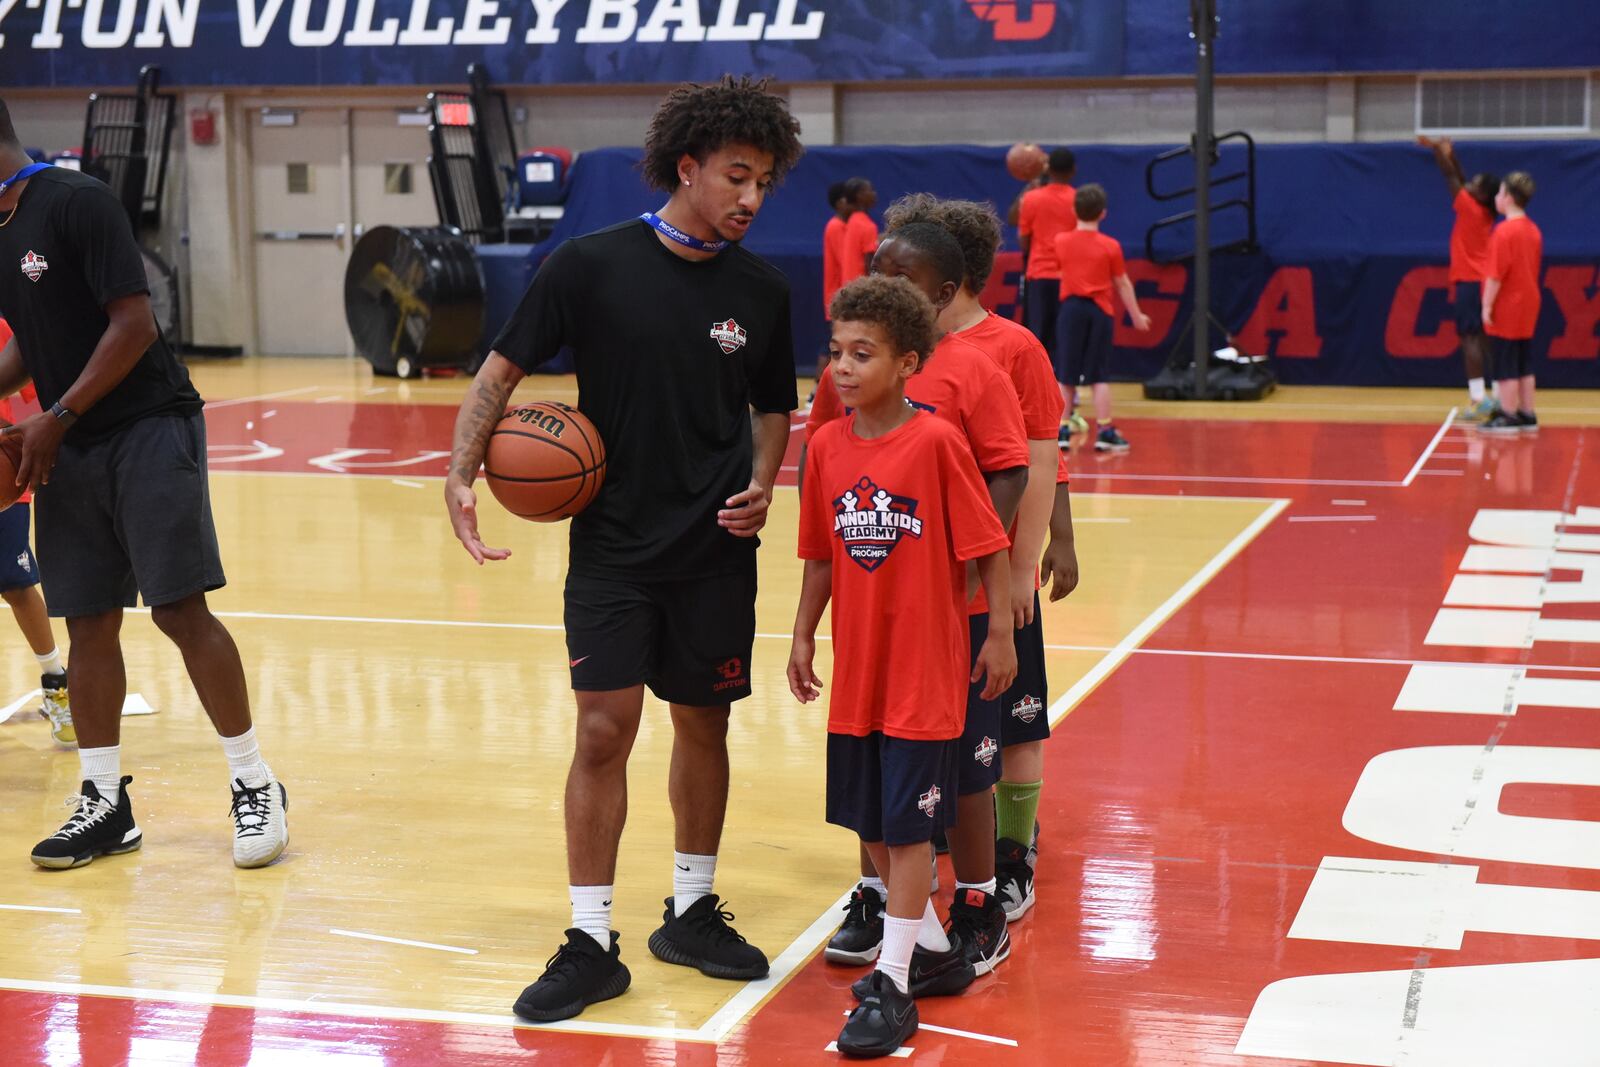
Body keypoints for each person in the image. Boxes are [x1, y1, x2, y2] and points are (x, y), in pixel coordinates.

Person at [444, 76, 804, 1023]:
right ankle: (591, 937)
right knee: (602, 731)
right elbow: (502, 371)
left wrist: (766, 479)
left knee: (704, 724)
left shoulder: (761, 291)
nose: (751, 197)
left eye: (764, 181)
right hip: (612, 547)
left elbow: (776, 407)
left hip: (715, 547)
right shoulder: (589, 264)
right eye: (736, 175)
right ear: (686, 167)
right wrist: (461, 472)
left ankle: (689, 910)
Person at [0, 99, 286, 871]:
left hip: (147, 424)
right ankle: (105, 802)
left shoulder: (76, 201)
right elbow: (33, 339)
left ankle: (255, 781)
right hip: (69, 439)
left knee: (178, 609)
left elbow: (132, 324)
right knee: (88, 623)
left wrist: (54, 415)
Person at [790, 273, 1017, 1058]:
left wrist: (1000, 635)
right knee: (873, 822)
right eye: (834, 352)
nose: (843, 368)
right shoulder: (822, 446)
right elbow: (819, 555)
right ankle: (932, 953)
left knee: (912, 826)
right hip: (859, 668)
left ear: (908, 362)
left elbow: (987, 543)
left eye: (863, 353)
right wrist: (799, 635)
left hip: (926, 664)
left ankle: (893, 983)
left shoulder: (937, 442)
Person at [880, 195, 1078, 921]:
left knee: (1016, 718)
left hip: (992, 572)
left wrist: (1026, 563)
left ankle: (1012, 854)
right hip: (920, 577)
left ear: (948, 276)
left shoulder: (1013, 347)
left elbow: (1038, 458)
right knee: (934, 722)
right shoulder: (898, 348)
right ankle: (923, 850)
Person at [0, 321, 71, 745]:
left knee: (15, 582)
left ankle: (56, 683)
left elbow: (38, 388)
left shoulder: (5, 326)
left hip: (3, 479)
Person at [1053, 183, 1152, 453]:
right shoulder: (1110, 246)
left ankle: (1061, 429)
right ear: (1103, 214)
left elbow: (1062, 271)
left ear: (1074, 211)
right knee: (1099, 376)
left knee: (1066, 375)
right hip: (1099, 312)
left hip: (1071, 310)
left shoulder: (1061, 242)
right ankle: (1105, 431)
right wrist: (1137, 315)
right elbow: (1123, 283)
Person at [1418, 136, 1498, 420]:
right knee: (1488, 340)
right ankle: (1500, 396)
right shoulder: (1484, 211)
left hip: (1469, 281)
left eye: (1476, 185)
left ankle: (1478, 398)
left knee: (1470, 339)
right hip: (1485, 281)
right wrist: (1453, 154)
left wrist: (1438, 151)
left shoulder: (1469, 207)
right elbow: (1461, 179)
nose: (1469, 186)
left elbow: (1450, 177)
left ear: (1483, 195)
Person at [1011, 149, 1080, 440]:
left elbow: (1023, 239)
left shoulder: (1033, 199)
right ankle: (1067, 402)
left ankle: (1032, 401)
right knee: (1065, 341)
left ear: (1048, 168)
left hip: (1039, 275)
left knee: (1036, 341)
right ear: (1073, 171)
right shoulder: (1078, 199)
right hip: (1069, 276)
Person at [1479, 172, 1542, 435]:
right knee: (1523, 360)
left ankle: (1508, 414)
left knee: (1505, 362)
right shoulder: (1533, 230)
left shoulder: (1504, 232)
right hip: (1529, 302)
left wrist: (1486, 305)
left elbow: (1495, 275)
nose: (1496, 197)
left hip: (1508, 304)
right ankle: (1527, 412)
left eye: (1499, 192)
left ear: (1508, 198)